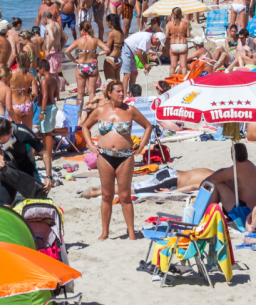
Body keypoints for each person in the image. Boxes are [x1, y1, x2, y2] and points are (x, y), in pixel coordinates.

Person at [81, 81, 151, 240]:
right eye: (118, 91)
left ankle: (131, 232)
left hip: (125, 157)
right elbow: (85, 126)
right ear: (109, 93)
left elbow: (148, 126)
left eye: (123, 91)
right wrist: (91, 145)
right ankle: (105, 232)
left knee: (125, 196)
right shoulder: (99, 111)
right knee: (106, 195)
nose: (121, 94)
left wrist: (140, 147)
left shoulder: (130, 110)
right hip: (104, 156)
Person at [0, 118, 53, 206]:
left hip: (28, 168)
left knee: (39, 203)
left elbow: (44, 152)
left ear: (10, 130)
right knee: (4, 208)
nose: (0, 142)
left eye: (3, 139)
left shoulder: (23, 133)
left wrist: (49, 176)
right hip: (9, 170)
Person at [81, 167, 215, 198]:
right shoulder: (216, 182)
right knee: (133, 189)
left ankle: (99, 188)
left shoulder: (215, 172)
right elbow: (194, 186)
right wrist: (172, 191)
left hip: (171, 173)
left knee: (135, 186)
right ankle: (96, 192)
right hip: (169, 181)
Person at [65, 22, 110, 107]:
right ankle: (91, 111)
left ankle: (79, 115)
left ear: (82, 29)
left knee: (80, 93)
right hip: (92, 66)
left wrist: (74, 60)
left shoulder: (79, 40)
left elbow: (67, 51)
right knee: (91, 92)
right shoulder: (95, 40)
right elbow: (107, 50)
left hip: (81, 65)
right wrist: (97, 54)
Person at [206, 143, 256, 215]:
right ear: (246, 154)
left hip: (243, 210)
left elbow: (214, 179)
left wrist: (203, 183)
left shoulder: (238, 168)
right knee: (227, 181)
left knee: (217, 184)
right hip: (252, 209)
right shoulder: (250, 165)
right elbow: (224, 171)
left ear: (232, 155)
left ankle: (205, 213)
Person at [8, 52, 38, 129]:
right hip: (27, 105)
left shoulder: (10, 74)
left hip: (15, 106)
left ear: (16, 60)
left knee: (14, 132)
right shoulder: (30, 75)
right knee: (28, 131)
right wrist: (29, 91)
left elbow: (4, 90)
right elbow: (35, 93)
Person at [38, 59, 60, 154]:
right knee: (48, 133)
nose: (39, 71)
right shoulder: (53, 79)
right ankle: (48, 154)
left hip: (47, 109)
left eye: (39, 69)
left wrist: (42, 112)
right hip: (53, 107)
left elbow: (45, 96)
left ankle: (49, 155)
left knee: (46, 134)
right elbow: (56, 94)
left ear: (42, 69)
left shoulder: (44, 81)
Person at [165, 7, 190, 78]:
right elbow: (188, 35)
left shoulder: (169, 24)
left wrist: (173, 35)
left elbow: (166, 36)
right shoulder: (185, 23)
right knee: (184, 66)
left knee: (173, 66)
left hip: (174, 45)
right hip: (183, 44)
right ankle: (183, 82)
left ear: (173, 14)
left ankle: (171, 82)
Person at [42, 12, 68, 77]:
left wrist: (47, 51)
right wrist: (61, 47)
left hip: (51, 53)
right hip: (58, 52)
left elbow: (52, 38)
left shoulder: (48, 26)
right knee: (56, 74)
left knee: (50, 74)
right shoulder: (58, 24)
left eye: (43, 19)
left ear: (45, 18)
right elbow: (65, 37)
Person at [103, 14, 124, 82]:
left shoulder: (111, 34)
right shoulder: (121, 32)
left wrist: (98, 54)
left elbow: (107, 49)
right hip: (119, 59)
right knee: (117, 82)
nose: (106, 23)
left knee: (110, 83)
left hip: (111, 59)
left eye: (107, 21)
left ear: (110, 22)